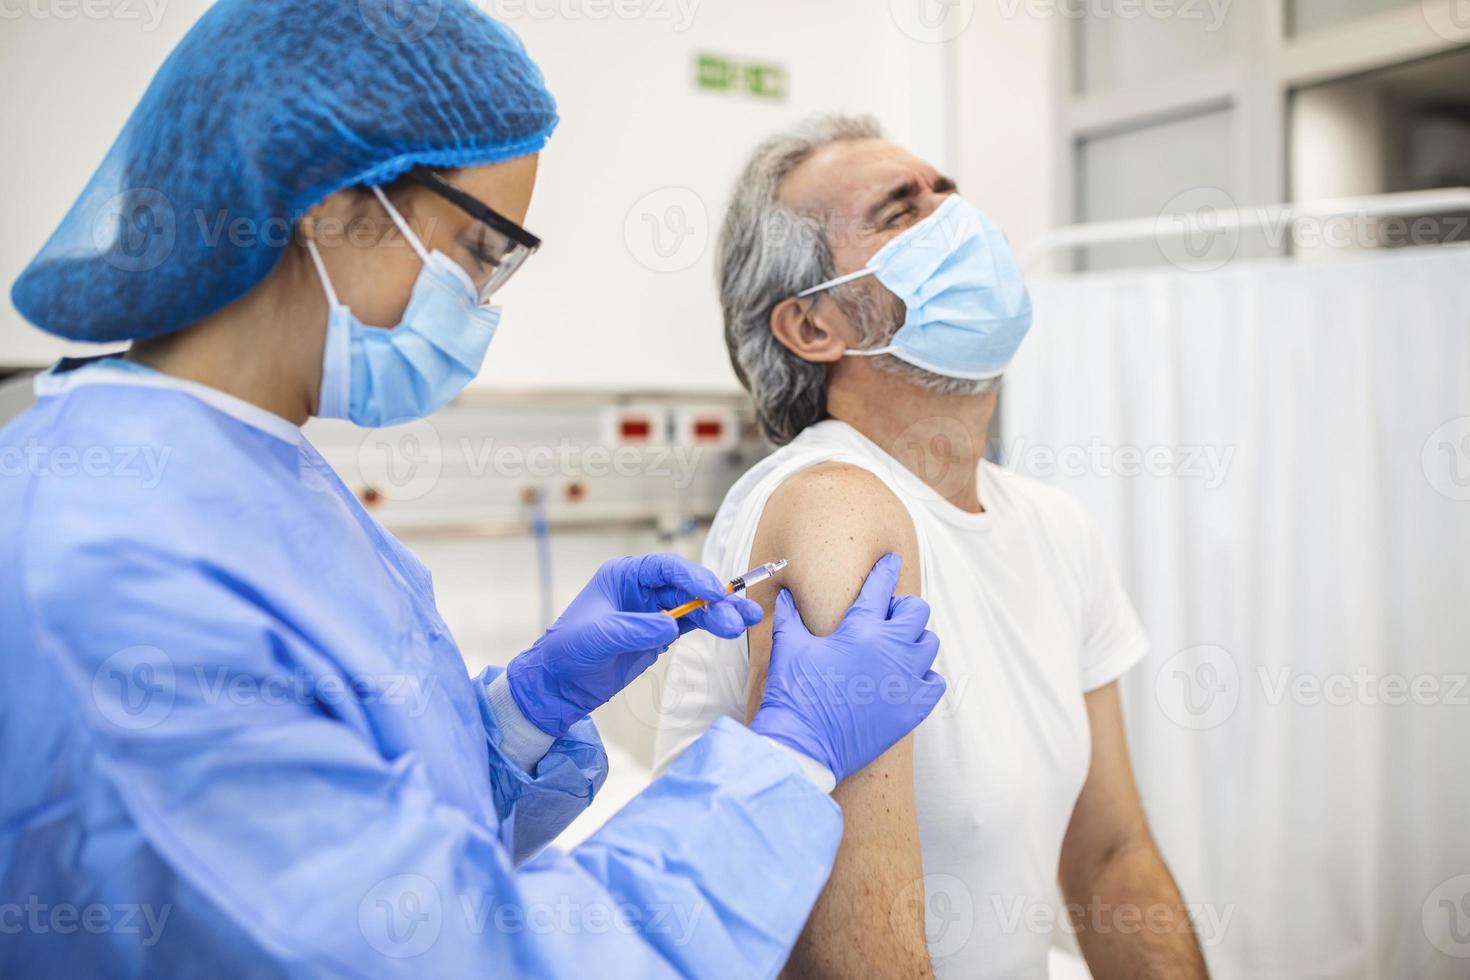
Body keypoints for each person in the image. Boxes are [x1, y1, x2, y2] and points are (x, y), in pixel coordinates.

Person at [0, 7, 946, 977]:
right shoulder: (110, 559)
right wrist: (788, 755)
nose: (486, 300)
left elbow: (375, 807)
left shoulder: (254, 471)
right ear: (329, 202)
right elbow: (463, 951)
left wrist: (521, 714)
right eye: (481, 248)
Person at [654, 115, 1211, 978]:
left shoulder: (1055, 524)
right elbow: (862, 960)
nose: (955, 218)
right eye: (900, 212)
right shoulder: (833, 506)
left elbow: (1110, 857)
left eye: (944, 189)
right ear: (812, 328)